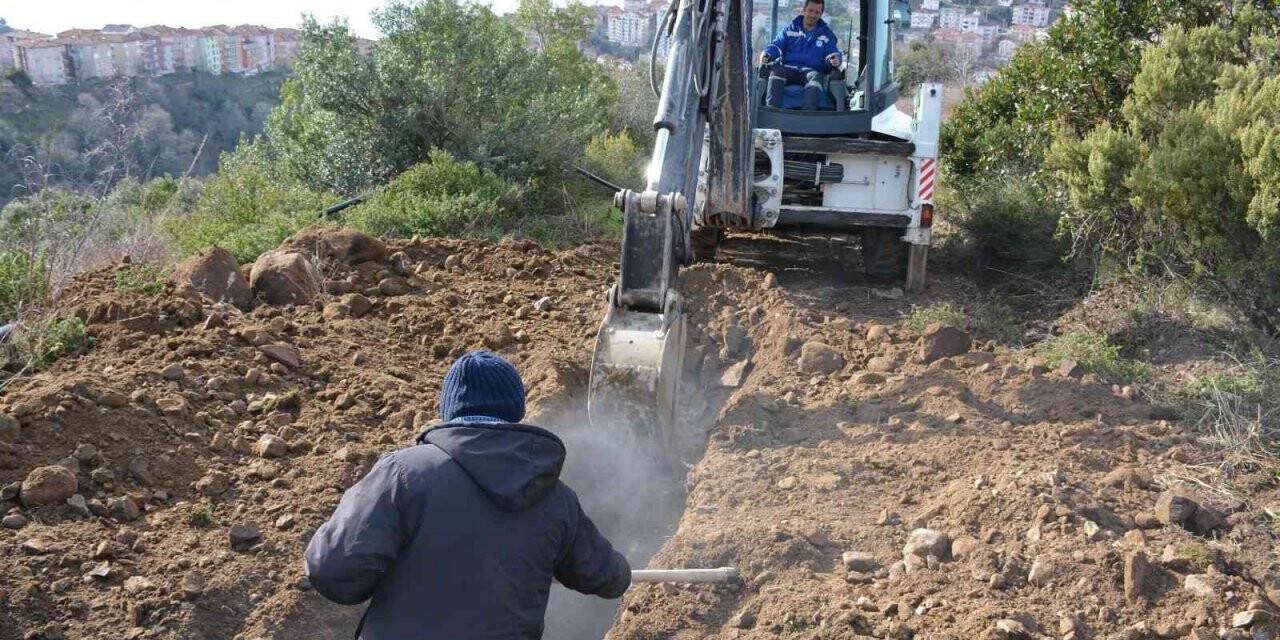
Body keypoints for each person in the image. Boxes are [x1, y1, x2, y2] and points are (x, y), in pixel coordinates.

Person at [305, 350, 632, 639]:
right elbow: (606, 577)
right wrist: (620, 570)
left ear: (450, 409)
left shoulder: (403, 474)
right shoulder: (555, 497)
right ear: (516, 410)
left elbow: (334, 570)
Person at [759, 0, 843, 110]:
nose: (813, 15)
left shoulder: (826, 34)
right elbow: (776, 45)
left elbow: (832, 52)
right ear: (803, 10)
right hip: (788, 69)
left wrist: (835, 59)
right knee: (776, 71)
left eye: (817, 12)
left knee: (816, 78)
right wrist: (767, 54)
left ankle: (808, 113)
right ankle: (771, 111)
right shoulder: (789, 30)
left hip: (811, 71)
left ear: (821, 14)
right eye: (810, 10)